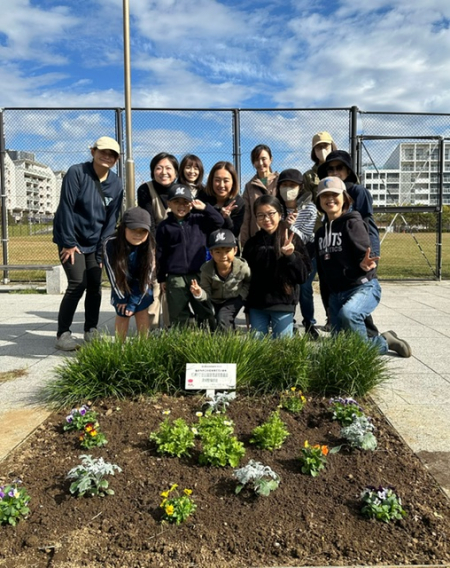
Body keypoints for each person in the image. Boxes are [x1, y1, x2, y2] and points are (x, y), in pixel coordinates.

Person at [315, 177, 411, 357]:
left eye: (334, 194)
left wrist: (363, 265)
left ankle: (382, 343)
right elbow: (323, 271)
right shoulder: (320, 233)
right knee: (339, 348)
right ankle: (384, 340)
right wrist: (328, 303)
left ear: (344, 198)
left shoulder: (353, 222)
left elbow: (365, 255)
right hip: (336, 294)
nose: (330, 199)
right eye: (324, 195)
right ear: (319, 201)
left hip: (362, 286)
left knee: (349, 314)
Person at [53, 136, 123, 351]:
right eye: (102, 151)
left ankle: (91, 330)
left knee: (95, 285)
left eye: (112, 154)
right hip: (71, 240)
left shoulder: (116, 183)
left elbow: (112, 219)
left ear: (116, 159)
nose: (107, 156)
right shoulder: (77, 172)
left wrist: (103, 251)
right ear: (93, 152)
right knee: (77, 283)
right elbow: (66, 207)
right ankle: (63, 334)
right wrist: (68, 242)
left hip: (96, 243)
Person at [318, 149, 381, 337]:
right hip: (340, 254)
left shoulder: (357, 191)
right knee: (345, 303)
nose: (335, 171)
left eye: (340, 168)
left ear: (348, 170)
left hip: (360, 252)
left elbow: (368, 225)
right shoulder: (327, 200)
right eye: (330, 169)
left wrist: (371, 256)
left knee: (355, 304)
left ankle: (372, 341)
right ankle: (374, 340)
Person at [155, 184, 224, 327]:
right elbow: (160, 253)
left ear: (191, 204)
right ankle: (182, 341)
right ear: (169, 204)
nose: (181, 206)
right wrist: (161, 278)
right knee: (178, 312)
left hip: (199, 273)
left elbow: (219, 221)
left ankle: (209, 338)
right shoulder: (164, 226)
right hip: (176, 276)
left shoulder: (199, 219)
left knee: (203, 308)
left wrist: (205, 208)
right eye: (176, 202)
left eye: (185, 202)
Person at [242, 195, 311, 339]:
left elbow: (303, 276)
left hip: (283, 305)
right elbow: (248, 279)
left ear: (280, 214)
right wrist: (247, 308)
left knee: (282, 350)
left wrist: (291, 256)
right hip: (257, 306)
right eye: (260, 215)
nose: (266, 219)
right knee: (258, 349)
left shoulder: (292, 239)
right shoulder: (252, 244)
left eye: (271, 214)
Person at [137, 152, 179, 329]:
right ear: (152, 171)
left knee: (171, 289)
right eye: (159, 168)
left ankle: (171, 329)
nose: (164, 172)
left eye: (168, 168)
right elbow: (149, 223)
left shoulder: (180, 191)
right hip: (153, 246)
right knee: (154, 287)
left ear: (176, 172)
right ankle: (152, 330)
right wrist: (154, 251)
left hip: (176, 248)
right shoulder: (145, 189)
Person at [275, 169, 319, 339]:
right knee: (287, 288)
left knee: (305, 289)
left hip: (305, 255)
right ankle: (289, 322)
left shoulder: (309, 208)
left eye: (292, 185)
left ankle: (309, 322)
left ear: (300, 187)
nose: (287, 189)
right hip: (282, 256)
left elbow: (306, 236)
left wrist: (288, 227)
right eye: (284, 185)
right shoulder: (276, 207)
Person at [103, 207, 154, 341]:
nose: (138, 235)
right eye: (133, 230)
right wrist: (122, 299)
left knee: (141, 310)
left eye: (143, 231)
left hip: (142, 284)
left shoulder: (150, 245)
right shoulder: (110, 244)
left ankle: (144, 345)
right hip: (120, 283)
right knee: (122, 312)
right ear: (123, 227)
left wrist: (133, 302)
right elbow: (112, 275)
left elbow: (146, 277)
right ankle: (120, 347)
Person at [190, 229, 251, 331]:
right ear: (211, 253)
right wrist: (199, 293)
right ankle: (218, 342)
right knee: (211, 322)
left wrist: (242, 295)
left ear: (235, 250)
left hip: (234, 298)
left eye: (227, 251)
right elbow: (206, 293)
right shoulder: (206, 269)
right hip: (214, 299)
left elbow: (248, 281)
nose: (223, 256)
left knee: (224, 318)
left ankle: (228, 345)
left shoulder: (242, 267)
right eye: (218, 252)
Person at [240, 145, 279, 247]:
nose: (260, 163)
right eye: (256, 160)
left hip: (279, 237)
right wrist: (245, 242)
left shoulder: (280, 181)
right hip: (258, 239)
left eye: (263, 159)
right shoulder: (249, 187)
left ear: (271, 159)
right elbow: (246, 216)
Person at [198, 161, 244, 240]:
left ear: (233, 182)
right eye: (217, 180)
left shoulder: (238, 202)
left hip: (227, 249)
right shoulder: (202, 198)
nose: (221, 185)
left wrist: (227, 218)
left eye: (226, 181)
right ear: (211, 180)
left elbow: (234, 233)